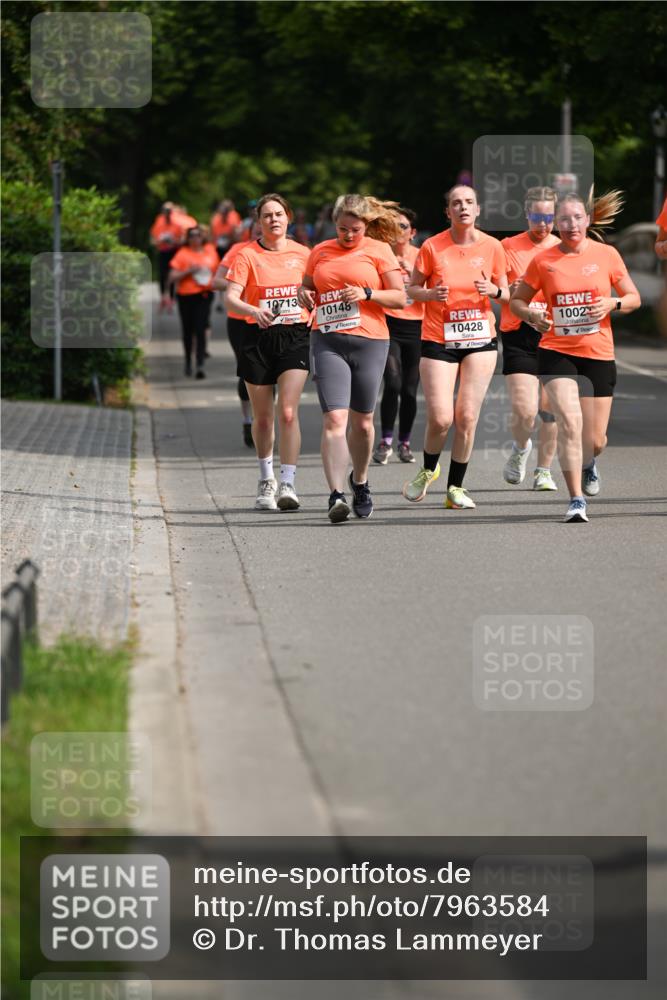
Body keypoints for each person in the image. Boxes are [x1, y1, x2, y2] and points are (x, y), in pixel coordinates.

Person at [511, 189, 641, 522]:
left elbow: (633, 298)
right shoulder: (544, 260)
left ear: (588, 220)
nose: (570, 225)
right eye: (563, 219)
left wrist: (613, 303)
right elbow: (518, 302)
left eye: (576, 218)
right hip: (557, 351)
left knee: (594, 439)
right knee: (569, 423)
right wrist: (532, 316)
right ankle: (576, 500)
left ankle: (589, 462)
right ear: (556, 222)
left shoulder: (607, 254)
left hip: (598, 351)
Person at [297, 194, 406, 522]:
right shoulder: (320, 251)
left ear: (367, 226)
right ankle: (335, 495)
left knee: (362, 423)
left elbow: (400, 298)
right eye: (342, 229)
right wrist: (303, 295)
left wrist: (367, 293)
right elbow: (305, 289)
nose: (347, 235)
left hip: (370, 341)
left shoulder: (379, 251)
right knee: (334, 420)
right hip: (327, 340)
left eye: (355, 230)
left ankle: (359, 481)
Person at [402, 185, 508, 510]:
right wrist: (430, 295)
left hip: (480, 340)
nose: (463, 207)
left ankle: (455, 487)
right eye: (456, 203)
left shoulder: (493, 247)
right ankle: (428, 469)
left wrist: (493, 289)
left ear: (477, 210)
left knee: (467, 416)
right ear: (447, 212)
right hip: (439, 338)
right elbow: (412, 289)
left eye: (469, 203)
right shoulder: (433, 247)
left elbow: (506, 292)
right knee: (441, 418)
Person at [224, 193, 311, 511]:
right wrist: (252, 309)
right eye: (267, 215)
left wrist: (311, 298)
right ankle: (266, 480)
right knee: (263, 418)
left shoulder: (304, 254)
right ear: (258, 222)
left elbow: (316, 289)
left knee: (288, 411)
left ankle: (288, 483)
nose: (274, 219)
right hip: (255, 336)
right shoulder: (246, 255)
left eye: (278, 214)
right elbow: (231, 298)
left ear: (288, 217)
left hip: (295, 336)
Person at [499, 187, 560, 491]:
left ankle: (544, 470)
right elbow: (496, 291)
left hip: (554, 334)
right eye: (537, 216)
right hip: (519, 333)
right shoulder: (508, 247)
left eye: (548, 217)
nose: (542, 223)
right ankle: (521, 448)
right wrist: (511, 288)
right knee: (526, 411)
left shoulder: (563, 249)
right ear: (526, 214)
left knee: (550, 410)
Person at [373, 206, 424, 465]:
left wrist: (412, 272)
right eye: (393, 226)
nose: (397, 231)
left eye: (403, 226)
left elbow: (439, 290)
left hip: (417, 326)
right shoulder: (381, 256)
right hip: (388, 323)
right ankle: (385, 441)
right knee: (392, 383)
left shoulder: (422, 256)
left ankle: (405, 443)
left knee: (410, 389)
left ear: (412, 233)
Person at [212, 219, 262, 448]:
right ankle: (247, 419)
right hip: (241, 320)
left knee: (271, 373)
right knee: (247, 371)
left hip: (272, 319)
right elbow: (216, 281)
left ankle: (264, 422)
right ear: (249, 232)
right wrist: (239, 284)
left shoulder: (287, 250)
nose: (262, 234)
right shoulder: (237, 250)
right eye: (257, 231)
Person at [169, 226, 219, 378]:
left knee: (201, 328)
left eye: (198, 235)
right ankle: (187, 361)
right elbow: (172, 277)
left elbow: (218, 272)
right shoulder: (182, 254)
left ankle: (200, 364)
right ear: (188, 238)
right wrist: (188, 271)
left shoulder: (210, 252)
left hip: (204, 295)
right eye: (192, 236)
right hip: (186, 296)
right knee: (187, 330)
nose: (196, 238)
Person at [150, 202, 183, 313]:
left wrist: (173, 241)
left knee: (172, 275)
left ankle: (172, 299)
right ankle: (163, 298)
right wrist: (161, 240)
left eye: (169, 211)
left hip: (173, 252)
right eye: (165, 210)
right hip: (162, 252)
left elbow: (182, 241)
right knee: (162, 275)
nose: (167, 213)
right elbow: (153, 240)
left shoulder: (177, 224)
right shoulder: (158, 223)